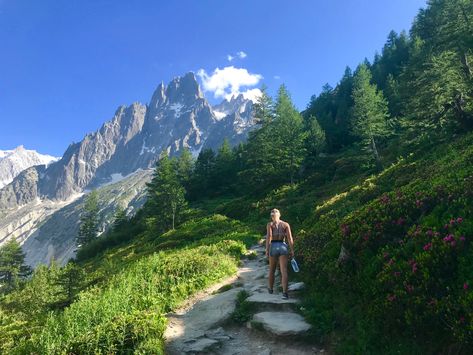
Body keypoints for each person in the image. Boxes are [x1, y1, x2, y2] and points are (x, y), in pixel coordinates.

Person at [265, 208, 294, 299]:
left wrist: (267, 249)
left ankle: (270, 289)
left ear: (272, 216)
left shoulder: (270, 224)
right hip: (282, 246)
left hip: (273, 246)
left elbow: (269, 237)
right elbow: (290, 238)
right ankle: (285, 292)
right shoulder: (285, 224)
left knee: (272, 270)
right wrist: (292, 250)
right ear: (279, 215)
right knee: (284, 271)